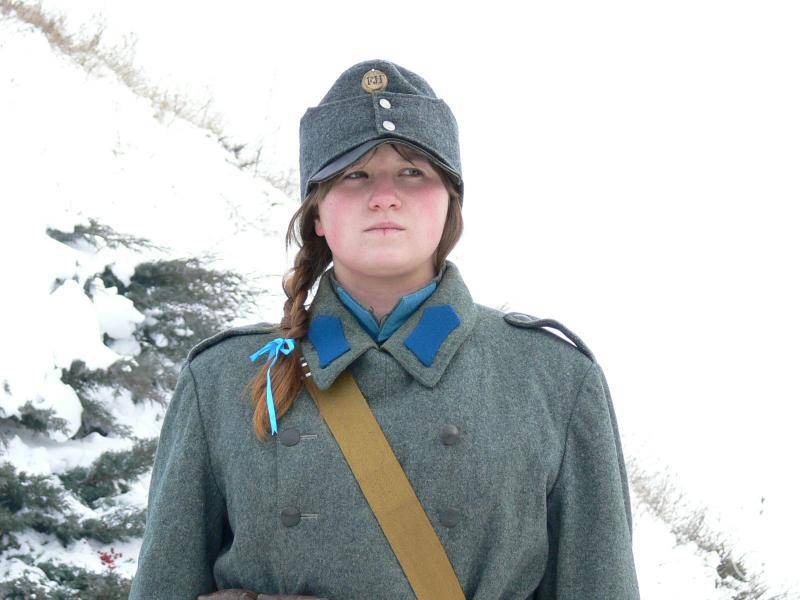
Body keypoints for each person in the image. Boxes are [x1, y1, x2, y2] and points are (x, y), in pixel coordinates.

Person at [129, 59, 641, 600]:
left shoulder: (554, 381)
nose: (384, 197)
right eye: (355, 175)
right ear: (318, 213)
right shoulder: (221, 379)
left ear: (450, 204)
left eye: (412, 172)